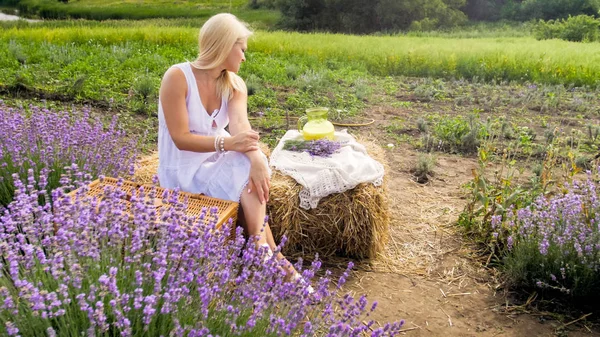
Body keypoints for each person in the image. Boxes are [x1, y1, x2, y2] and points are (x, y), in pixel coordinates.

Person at [157, 13, 310, 289]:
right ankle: (269, 253)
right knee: (238, 161)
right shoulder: (177, 77)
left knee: (246, 163)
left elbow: (240, 126)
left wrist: (257, 158)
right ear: (225, 45)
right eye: (242, 49)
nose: (244, 57)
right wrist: (228, 144)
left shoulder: (234, 85)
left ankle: (262, 247)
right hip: (182, 170)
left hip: (214, 163)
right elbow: (180, 138)